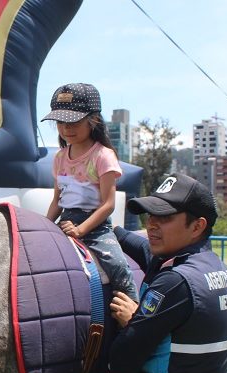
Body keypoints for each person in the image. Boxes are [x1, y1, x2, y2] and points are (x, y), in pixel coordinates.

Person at [107, 173, 227, 373]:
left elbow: (120, 362)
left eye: (164, 217)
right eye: (150, 216)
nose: (152, 225)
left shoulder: (175, 281)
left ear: (197, 226)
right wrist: (110, 230)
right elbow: (141, 246)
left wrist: (133, 321)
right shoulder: (210, 265)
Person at [41, 83, 138, 300]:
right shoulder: (59, 157)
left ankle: (134, 312)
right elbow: (58, 200)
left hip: (95, 227)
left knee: (118, 266)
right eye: (61, 122)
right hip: (66, 221)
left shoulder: (103, 156)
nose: (67, 128)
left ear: (92, 120)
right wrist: (45, 226)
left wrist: (81, 230)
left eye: (74, 121)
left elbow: (108, 204)